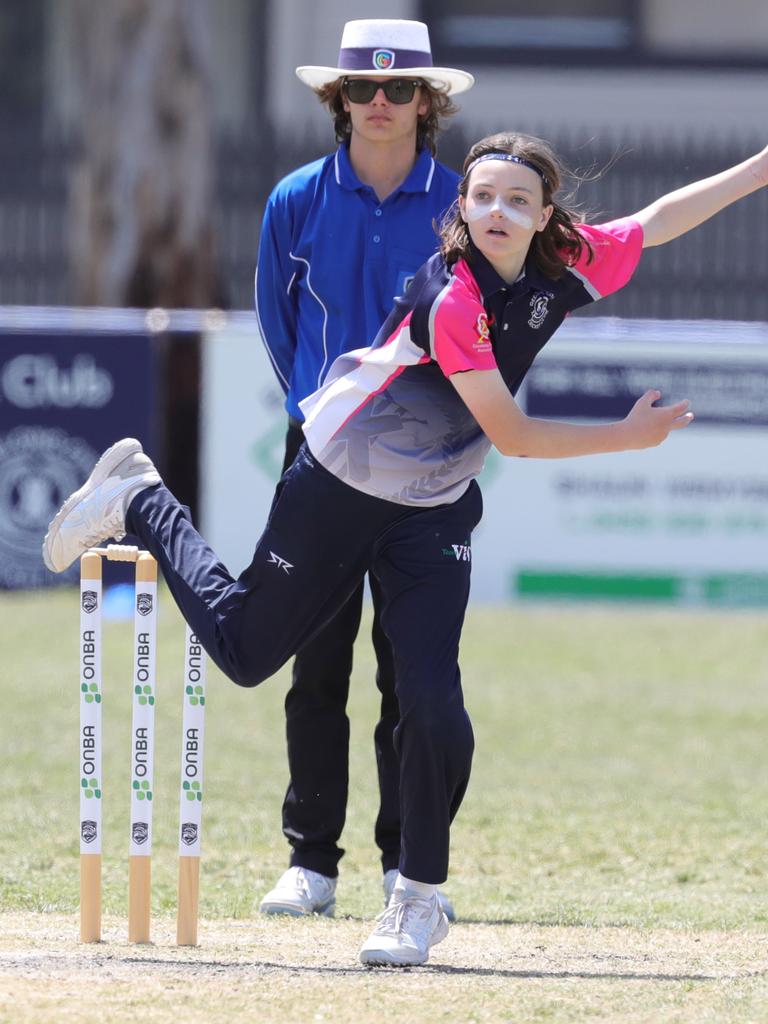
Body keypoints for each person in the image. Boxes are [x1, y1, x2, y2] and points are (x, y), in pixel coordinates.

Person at [44, 131, 768, 967]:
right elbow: (515, 437)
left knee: (431, 702)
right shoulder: (451, 301)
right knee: (245, 654)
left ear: (545, 219)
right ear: (460, 206)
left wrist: (755, 171)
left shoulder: (564, 261)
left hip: (432, 510)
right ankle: (139, 496)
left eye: (518, 201)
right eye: (483, 196)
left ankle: (416, 897)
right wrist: (627, 438)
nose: (499, 211)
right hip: (340, 478)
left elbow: (657, 218)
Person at [254, 18, 472, 920]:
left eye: (397, 90)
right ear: (337, 100)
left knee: (411, 672)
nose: (378, 104)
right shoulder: (296, 197)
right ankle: (311, 861)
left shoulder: (468, 200)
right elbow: (276, 321)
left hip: (424, 466)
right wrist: (316, 420)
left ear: (428, 103)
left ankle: (402, 865)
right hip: (325, 455)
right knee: (315, 665)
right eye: (360, 89)